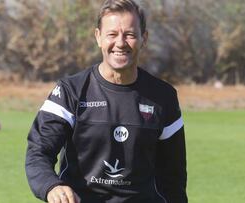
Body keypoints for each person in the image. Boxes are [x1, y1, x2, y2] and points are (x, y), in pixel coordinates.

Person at [25, 0, 187, 202]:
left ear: (143, 39)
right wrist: (51, 186)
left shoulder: (163, 97)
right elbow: (39, 151)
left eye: (129, 34)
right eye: (112, 34)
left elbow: (173, 176)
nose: (120, 43)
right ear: (98, 37)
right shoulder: (71, 91)